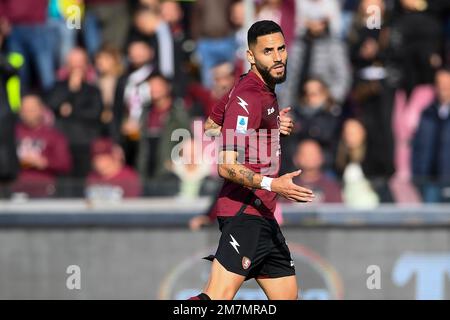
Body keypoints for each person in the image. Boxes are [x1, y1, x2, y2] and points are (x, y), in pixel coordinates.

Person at [188, 20, 314, 301]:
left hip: (263, 215)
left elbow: (211, 125)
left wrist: (266, 127)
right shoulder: (248, 96)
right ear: (251, 56)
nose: (278, 56)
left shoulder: (253, 88)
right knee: (216, 298)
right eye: (268, 51)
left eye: (281, 48)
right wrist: (273, 185)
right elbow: (226, 166)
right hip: (245, 213)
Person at [12, 94, 72, 197]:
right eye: (25, 109)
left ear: (41, 110)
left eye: (32, 109)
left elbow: (65, 164)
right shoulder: (10, 133)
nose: (28, 113)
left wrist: (45, 162)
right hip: (15, 188)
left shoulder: (54, 135)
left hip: (44, 188)